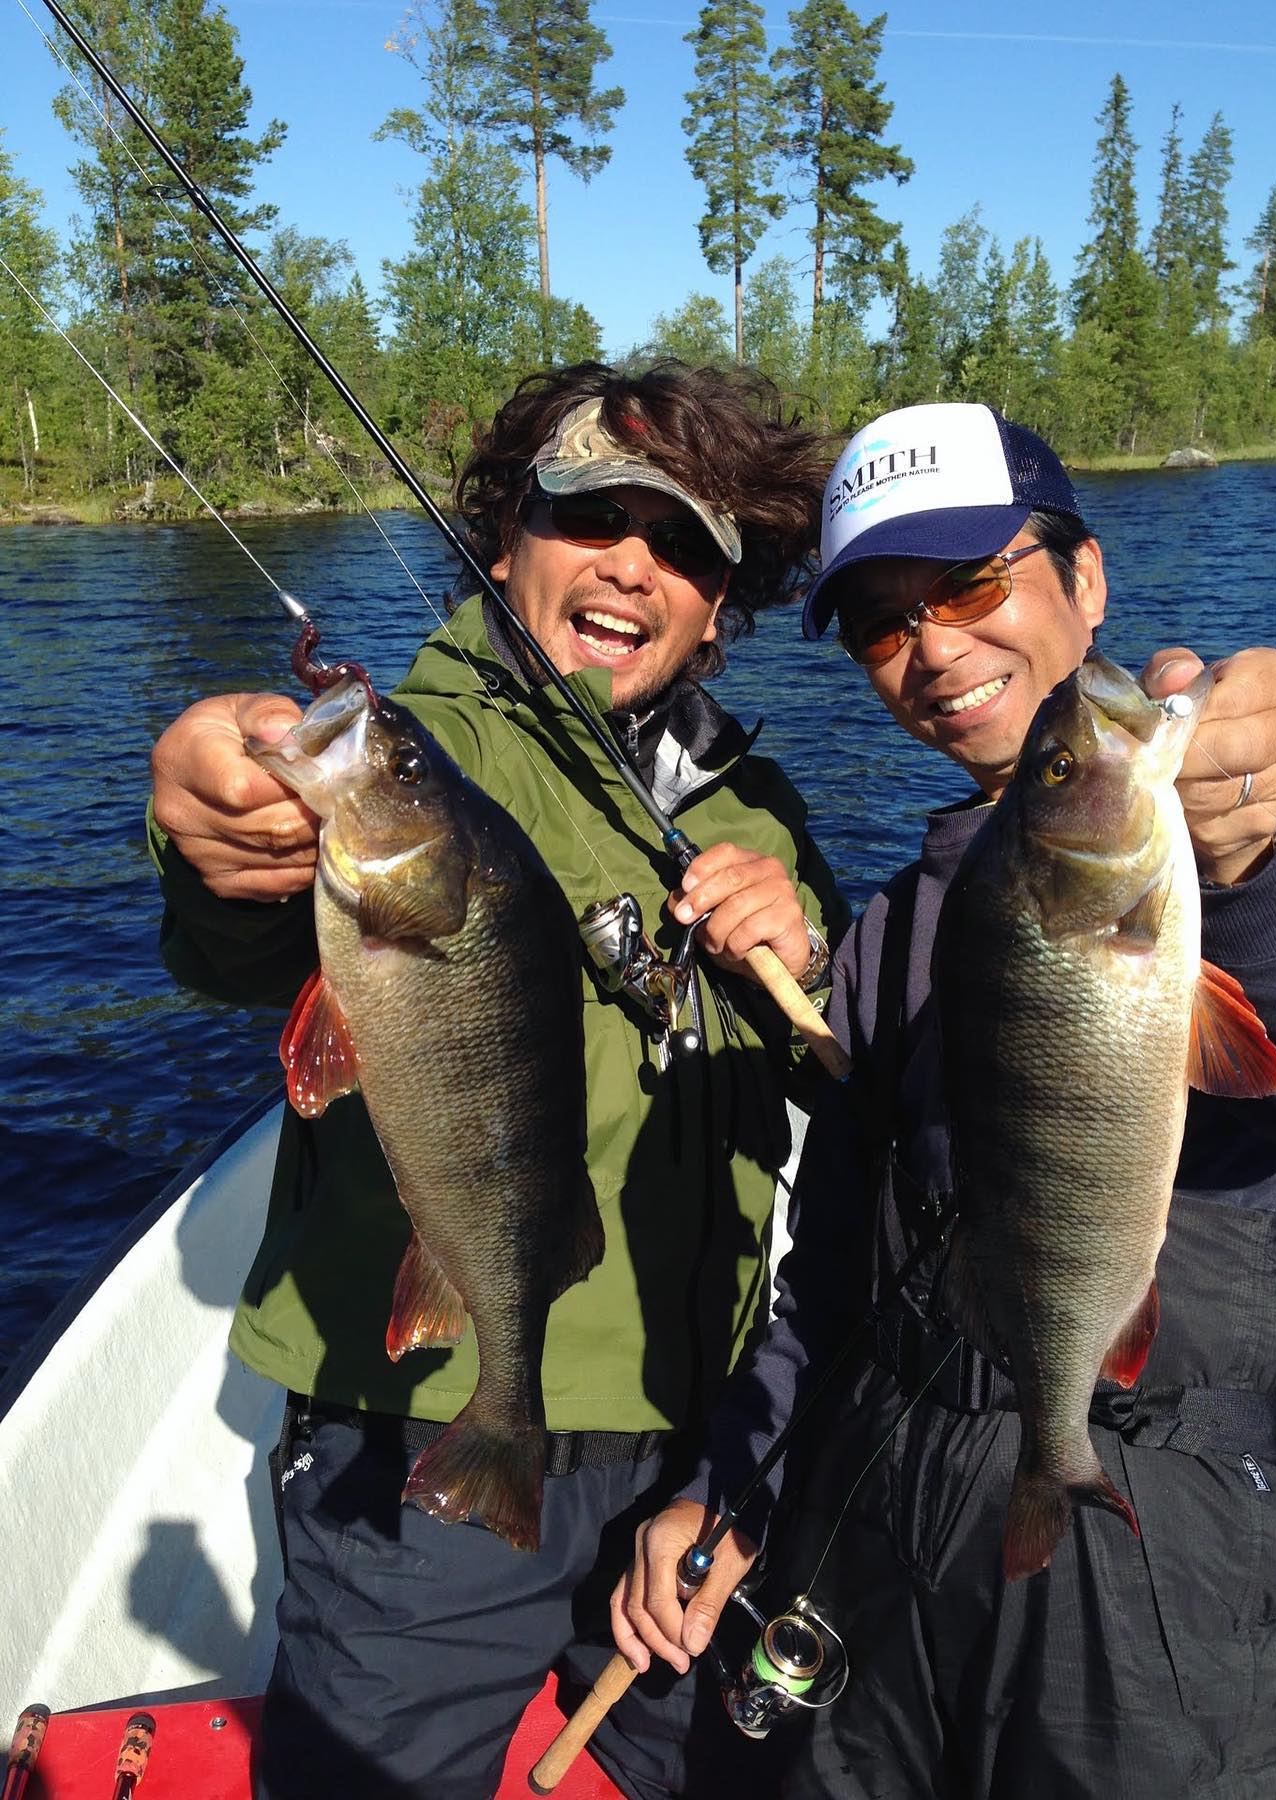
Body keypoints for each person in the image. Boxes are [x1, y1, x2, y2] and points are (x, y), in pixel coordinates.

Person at [613, 401, 1276, 1798]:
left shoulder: (1242, 821)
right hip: (877, 1521)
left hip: (1153, 1556)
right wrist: (734, 1485)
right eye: (883, 622)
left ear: (1090, 581)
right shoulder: (888, 931)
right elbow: (830, 1276)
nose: (934, 648)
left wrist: (1263, 865)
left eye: (971, 583)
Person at [147, 360, 849, 1800]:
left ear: (722, 605)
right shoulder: (431, 749)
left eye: (684, 546)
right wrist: (217, 833)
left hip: (693, 1445)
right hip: (436, 1425)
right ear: (506, 537)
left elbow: (837, 1086)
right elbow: (242, 917)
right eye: (590, 515)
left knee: (688, 1773)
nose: (629, 566)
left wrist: (811, 966)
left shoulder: (758, 808)